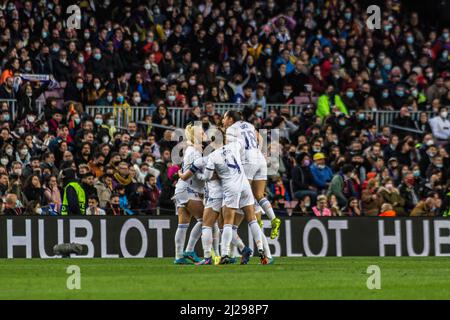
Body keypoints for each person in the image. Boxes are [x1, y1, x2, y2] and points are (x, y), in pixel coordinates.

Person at [222, 110, 281, 239]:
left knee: (242, 193)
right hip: (260, 159)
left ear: (231, 119)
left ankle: (253, 223)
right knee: (259, 194)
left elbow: (229, 149)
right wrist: (257, 151)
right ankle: (273, 218)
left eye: (224, 118)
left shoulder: (231, 129)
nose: (223, 120)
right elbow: (260, 138)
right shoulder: (249, 125)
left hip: (247, 161)